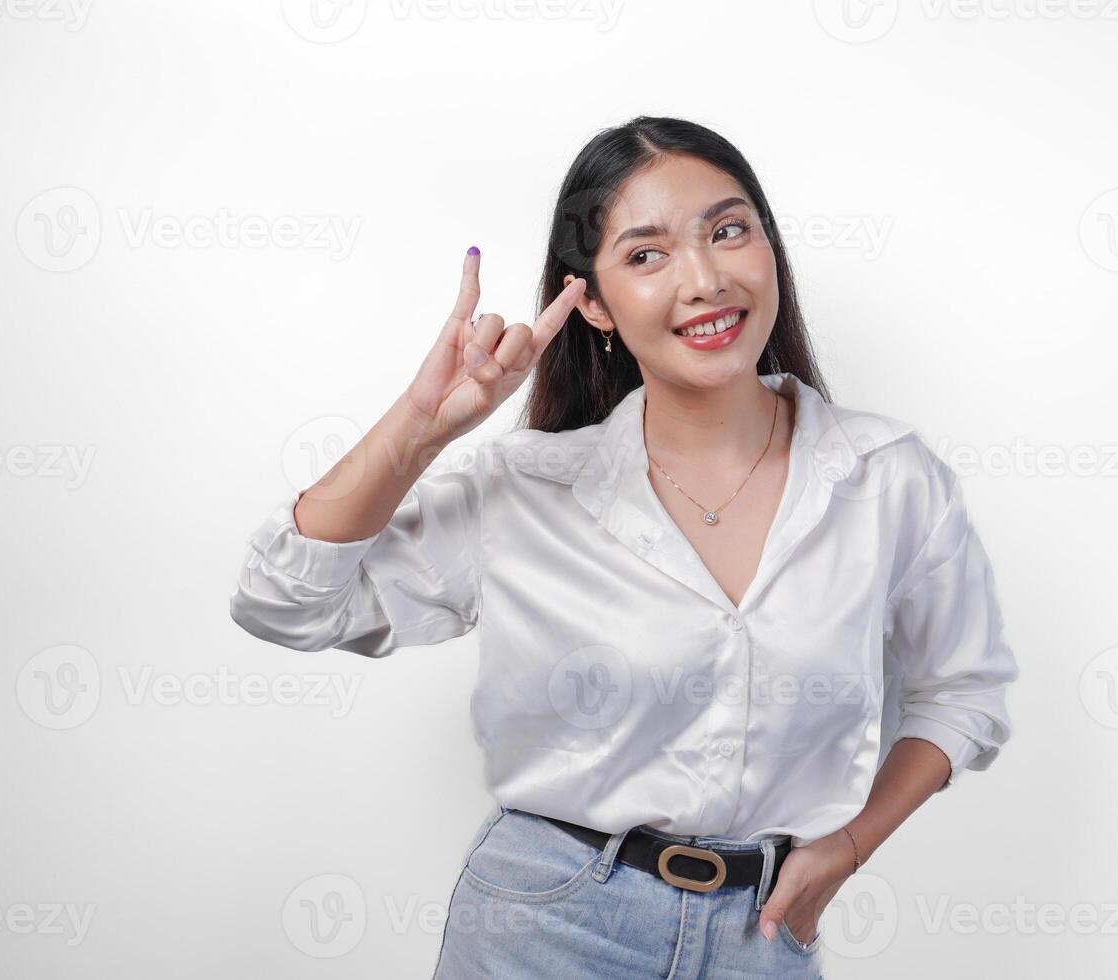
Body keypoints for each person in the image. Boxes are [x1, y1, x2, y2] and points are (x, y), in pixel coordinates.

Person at [229, 115, 1020, 978]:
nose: (706, 279)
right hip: (547, 928)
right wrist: (423, 427)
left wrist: (849, 847)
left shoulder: (889, 479)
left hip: (764, 935)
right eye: (648, 255)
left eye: (728, 231)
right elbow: (284, 601)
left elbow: (962, 692)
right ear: (593, 302)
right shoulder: (528, 489)